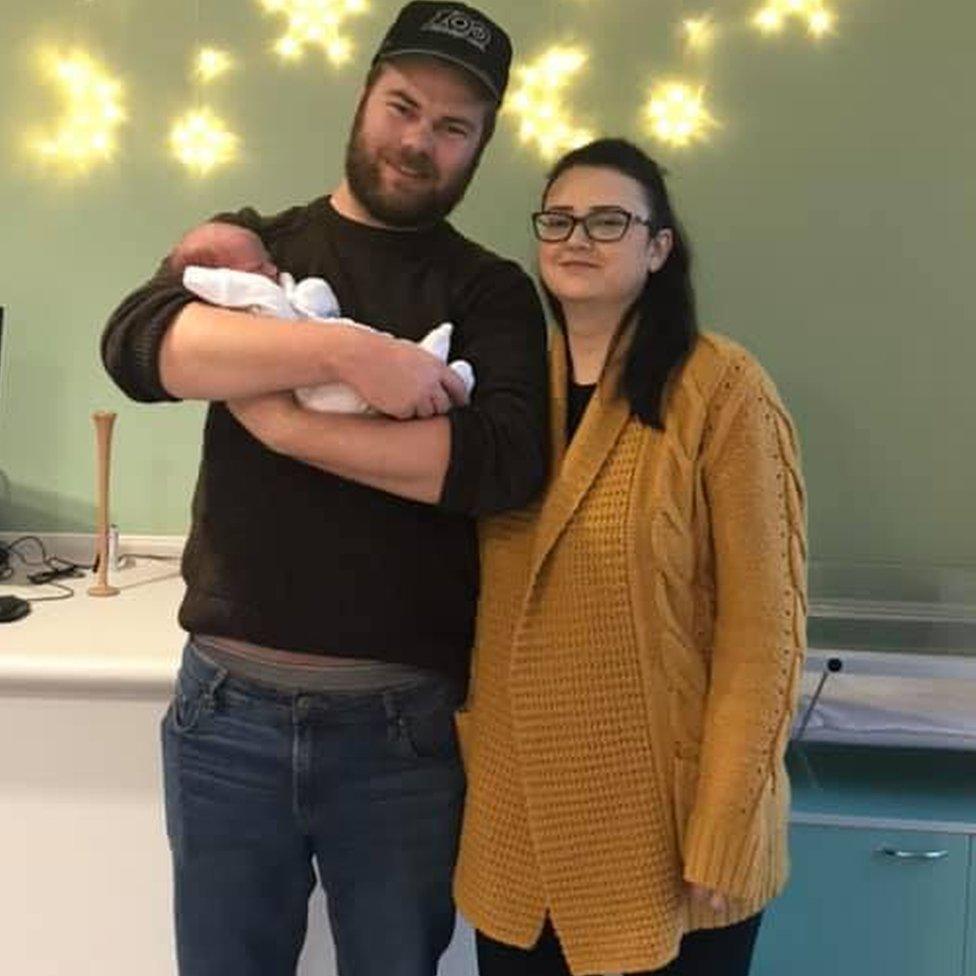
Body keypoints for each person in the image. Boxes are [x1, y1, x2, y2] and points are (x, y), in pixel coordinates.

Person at [99, 3, 548, 974]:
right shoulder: (256, 249)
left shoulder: (492, 291)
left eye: (452, 125)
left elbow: (500, 463)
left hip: (402, 735)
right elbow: (141, 347)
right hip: (224, 715)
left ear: (479, 146)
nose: (418, 139)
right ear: (362, 99)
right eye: (403, 106)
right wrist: (346, 353)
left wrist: (285, 420)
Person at [450, 138, 807, 976]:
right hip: (517, 832)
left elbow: (765, 635)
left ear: (658, 248)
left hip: (668, 834)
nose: (579, 236)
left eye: (610, 220)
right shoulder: (507, 395)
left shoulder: (721, 389)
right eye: (560, 219)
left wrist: (726, 822)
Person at [169, 221, 476, 413]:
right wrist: (347, 353)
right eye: (257, 269)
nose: (273, 270)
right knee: (349, 399)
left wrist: (278, 427)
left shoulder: (487, 280)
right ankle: (436, 375)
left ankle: (433, 372)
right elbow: (134, 340)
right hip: (317, 392)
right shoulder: (248, 296)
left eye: (268, 262)